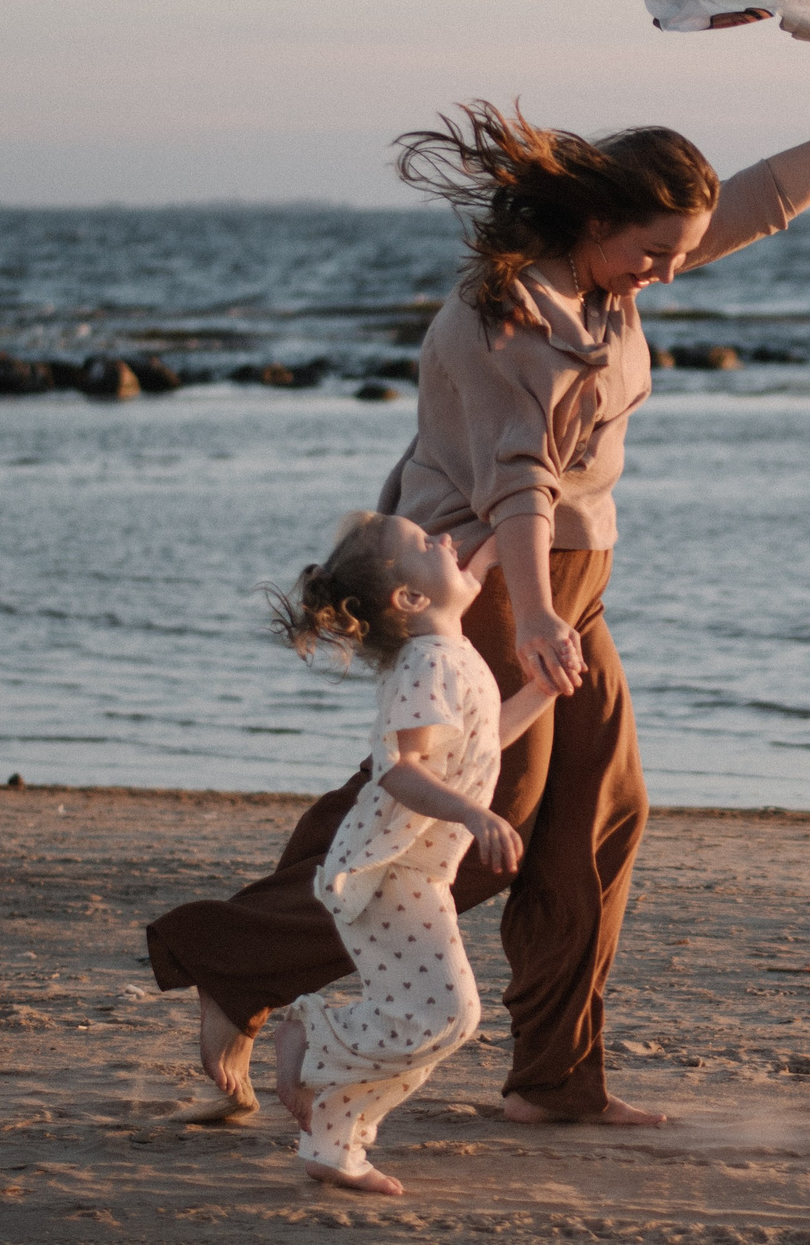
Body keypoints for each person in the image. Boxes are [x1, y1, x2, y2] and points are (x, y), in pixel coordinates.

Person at [147, 100, 810, 1126]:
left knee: (599, 816)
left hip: (567, 581)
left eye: (678, 253)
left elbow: (755, 201)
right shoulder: (515, 316)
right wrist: (538, 620)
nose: (668, 274)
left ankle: (555, 1080)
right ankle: (235, 963)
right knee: (475, 820)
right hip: (492, 581)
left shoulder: (605, 270)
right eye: (654, 253)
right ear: (594, 222)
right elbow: (519, 485)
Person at [261, 510, 556, 1194]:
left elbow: (485, 741)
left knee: (428, 1018)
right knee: (445, 1014)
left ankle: (336, 1144)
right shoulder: (424, 663)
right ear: (410, 600)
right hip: (388, 870)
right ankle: (309, 1035)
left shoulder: (448, 652)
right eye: (428, 542)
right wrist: (474, 813)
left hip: (415, 869)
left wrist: (542, 691)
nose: (447, 539)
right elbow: (399, 768)